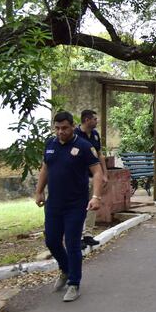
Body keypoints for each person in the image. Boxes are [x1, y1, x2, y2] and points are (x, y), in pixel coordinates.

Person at [35, 111, 103, 302]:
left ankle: (74, 283)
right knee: (52, 241)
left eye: (64, 128)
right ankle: (65, 269)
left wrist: (96, 196)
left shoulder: (83, 146)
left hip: (75, 203)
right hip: (54, 203)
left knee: (72, 243)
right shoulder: (50, 145)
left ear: (73, 126)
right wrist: (39, 191)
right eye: (57, 128)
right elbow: (45, 168)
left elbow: (97, 172)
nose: (60, 132)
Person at [74, 109, 108, 249]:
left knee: (93, 205)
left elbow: (100, 155)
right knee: (80, 206)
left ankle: (88, 234)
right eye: (94, 119)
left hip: (94, 176)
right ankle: (78, 236)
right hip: (79, 176)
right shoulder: (75, 135)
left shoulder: (94, 135)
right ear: (87, 120)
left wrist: (104, 173)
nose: (96, 121)